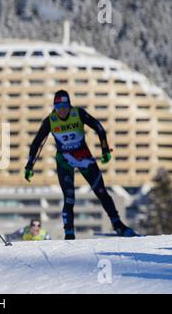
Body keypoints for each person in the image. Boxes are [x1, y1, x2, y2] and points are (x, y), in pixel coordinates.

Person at [24, 90, 137, 240]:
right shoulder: (50, 120)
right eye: (58, 107)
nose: (62, 111)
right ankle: (69, 233)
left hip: (84, 158)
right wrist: (29, 165)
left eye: (64, 106)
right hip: (65, 162)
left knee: (102, 192)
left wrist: (104, 150)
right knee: (69, 199)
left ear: (69, 105)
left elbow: (99, 128)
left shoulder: (78, 113)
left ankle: (118, 226)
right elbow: (37, 142)